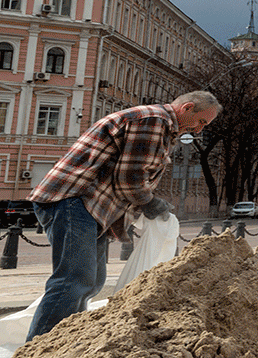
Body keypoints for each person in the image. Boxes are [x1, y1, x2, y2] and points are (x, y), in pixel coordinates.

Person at [26, 90, 220, 341]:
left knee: (93, 280)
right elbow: (130, 177)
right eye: (201, 121)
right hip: (74, 199)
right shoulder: (154, 121)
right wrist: (149, 202)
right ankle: (39, 345)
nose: (199, 130)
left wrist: (142, 206)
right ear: (187, 108)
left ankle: (63, 340)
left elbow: (127, 174)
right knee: (75, 279)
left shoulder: (160, 125)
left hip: (87, 205)